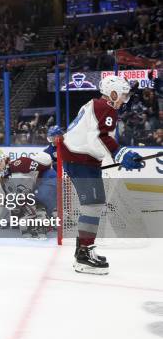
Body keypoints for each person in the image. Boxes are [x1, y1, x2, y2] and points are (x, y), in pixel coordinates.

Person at [59, 75, 144, 275]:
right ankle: (83, 256)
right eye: (123, 94)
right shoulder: (106, 107)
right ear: (113, 93)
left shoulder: (95, 105)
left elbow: (94, 136)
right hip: (80, 158)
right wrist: (121, 153)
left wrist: (118, 155)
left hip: (79, 157)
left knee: (93, 204)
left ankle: (85, 250)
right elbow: (100, 135)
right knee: (93, 204)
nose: (125, 99)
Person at [0, 151, 56, 238]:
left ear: (5, 161)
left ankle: (45, 223)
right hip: (38, 188)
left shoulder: (18, 164)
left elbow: (41, 165)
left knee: (36, 200)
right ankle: (41, 220)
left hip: (46, 185)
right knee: (14, 202)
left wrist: (10, 168)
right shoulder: (4, 178)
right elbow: (10, 195)